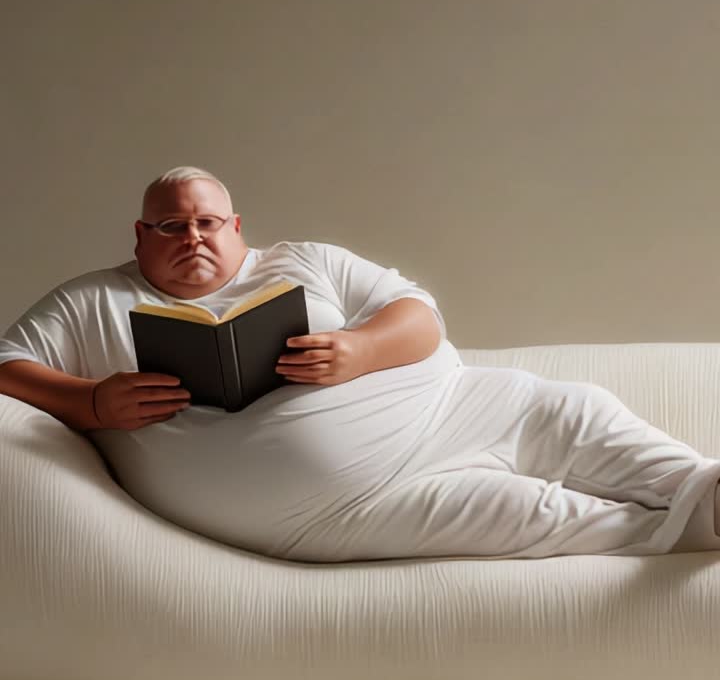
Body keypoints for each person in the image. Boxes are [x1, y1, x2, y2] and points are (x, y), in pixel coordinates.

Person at [1, 165, 719, 562]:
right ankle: (690, 532)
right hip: (330, 508)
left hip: (446, 411)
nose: (192, 237)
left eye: (206, 222)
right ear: (141, 233)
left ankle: (702, 490)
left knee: (575, 409)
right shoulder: (91, 299)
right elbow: (6, 363)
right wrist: (93, 402)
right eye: (171, 225)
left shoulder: (304, 262)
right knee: (524, 514)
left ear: (235, 226)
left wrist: (357, 351)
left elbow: (420, 314)